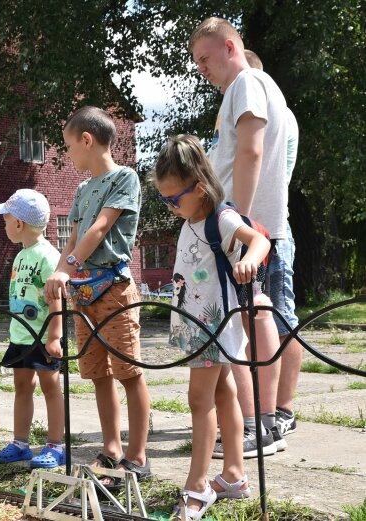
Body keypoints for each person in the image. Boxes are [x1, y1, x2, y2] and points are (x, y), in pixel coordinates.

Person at [190, 17, 288, 455]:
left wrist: (239, 224)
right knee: (251, 319)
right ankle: (260, 421)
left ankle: (261, 424)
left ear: (230, 47)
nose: (201, 69)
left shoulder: (245, 84)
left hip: (250, 229)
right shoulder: (256, 87)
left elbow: (250, 151)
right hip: (253, 228)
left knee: (254, 318)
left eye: (205, 58)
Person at [44, 106, 151, 486]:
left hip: (115, 290)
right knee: (98, 374)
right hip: (83, 292)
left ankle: (137, 456)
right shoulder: (82, 189)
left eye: (70, 147)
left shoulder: (125, 178)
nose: (69, 155)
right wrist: (57, 274)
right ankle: (112, 448)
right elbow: (73, 237)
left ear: (87, 140)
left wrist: (66, 267)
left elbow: (101, 228)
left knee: (128, 371)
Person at [154, 135, 260, 518]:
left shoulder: (222, 218)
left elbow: (259, 241)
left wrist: (250, 259)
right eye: (164, 200)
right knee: (224, 393)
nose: (169, 208)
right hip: (195, 323)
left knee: (198, 400)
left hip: (214, 324)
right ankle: (234, 474)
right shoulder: (191, 219)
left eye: (173, 199)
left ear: (198, 187)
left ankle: (197, 487)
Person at [243, 49, 303, 439]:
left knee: (280, 322)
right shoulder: (273, 109)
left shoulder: (264, 105)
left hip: (270, 231)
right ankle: (264, 407)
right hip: (264, 228)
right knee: (263, 322)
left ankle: (282, 409)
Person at [0, 189, 65, 468]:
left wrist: (55, 336)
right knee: (22, 386)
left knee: (51, 387)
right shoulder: (22, 256)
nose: (5, 225)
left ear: (19, 224)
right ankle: (20, 443)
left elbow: (57, 299)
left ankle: (56, 446)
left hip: (44, 337)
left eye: (6, 220)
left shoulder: (48, 256)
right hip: (21, 335)